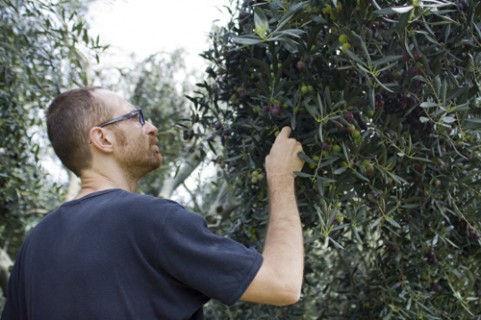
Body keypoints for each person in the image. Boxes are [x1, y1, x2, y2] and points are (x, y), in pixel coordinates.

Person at [1, 87, 305, 319]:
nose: (151, 127)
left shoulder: (34, 246)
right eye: (135, 118)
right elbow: (283, 283)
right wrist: (281, 176)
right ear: (103, 139)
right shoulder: (151, 220)